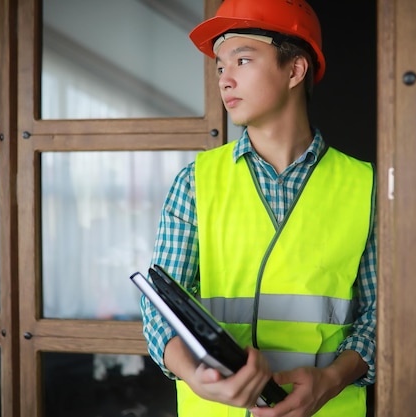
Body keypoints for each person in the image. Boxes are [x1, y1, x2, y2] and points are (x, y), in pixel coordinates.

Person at [140, 0, 377, 416]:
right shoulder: (194, 183)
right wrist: (194, 375)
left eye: (242, 60)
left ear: (295, 70)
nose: (224, 80)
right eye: (219, 67)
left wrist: (332, 379)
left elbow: (383, 315)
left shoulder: (366, 187)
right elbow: (160, 310)